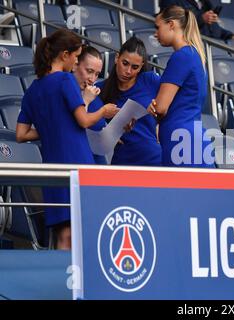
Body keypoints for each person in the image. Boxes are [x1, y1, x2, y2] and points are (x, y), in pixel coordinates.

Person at [16, 29, 119, 250]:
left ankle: (63, 282)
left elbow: (21, 134)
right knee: (82, 231)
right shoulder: (65, 79)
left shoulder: (33, 90)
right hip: (76, 161)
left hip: (52, 166)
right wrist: (104, 112)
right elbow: (83, 120)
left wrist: (51, 127)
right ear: (64, 54)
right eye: (75, 56)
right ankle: (81, 282)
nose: (75, 62)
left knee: (64, 235)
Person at [147, 5, 214, 167]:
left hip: (180, 140)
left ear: (171, 25)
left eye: (158, 27)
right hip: (192, 137)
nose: (155, 34)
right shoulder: (195, 55)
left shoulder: (181, 56)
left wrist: (149, 107)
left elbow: (161, 107)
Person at [99, 37, 162, 166]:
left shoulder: (150, 80)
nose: (128, 71)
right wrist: (105, 130)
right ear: (117, 58)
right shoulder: (101, 90)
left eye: (135, 67)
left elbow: (174, 102)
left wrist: (160, 118)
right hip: (122, 160)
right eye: (125, 63)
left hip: (153, 159)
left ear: (141, 67)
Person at [72, 45, 108, 164]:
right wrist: (85, 100)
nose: (92, 79)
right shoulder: (65, 92)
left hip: (97, 163)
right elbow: (77, 128)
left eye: (97, 74)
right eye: (89, 71)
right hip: (75, 162)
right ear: (75, 65)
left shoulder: (96, 98)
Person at [159, 0, 234, 40]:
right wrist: (201, 19)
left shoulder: (204, 3)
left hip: (213, 47)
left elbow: (214, 27)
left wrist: (228, 35)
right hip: (194, 46)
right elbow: (172, 23)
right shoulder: (172, 1)